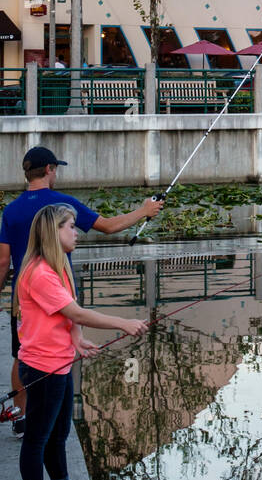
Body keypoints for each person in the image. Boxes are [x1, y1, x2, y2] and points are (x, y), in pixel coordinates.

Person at [0, 146, 163, 430]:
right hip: (59, 293)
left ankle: (21, 414)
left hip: (22, 297)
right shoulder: (63, 205)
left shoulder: (11, 210)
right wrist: (145, 210)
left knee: (21, 354)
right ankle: (49, 415)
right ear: (50, 169)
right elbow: (109, 227)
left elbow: (3, 261)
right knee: (62, 349)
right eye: (56, 169)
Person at [14, 204, 149, 480]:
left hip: (59, 364)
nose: (76, 232)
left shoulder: (57, 268)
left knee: (59, 434)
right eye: (70, 226)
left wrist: (75, 340)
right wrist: (122, 323)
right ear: (53, 231)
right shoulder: (40, 273)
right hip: (43, 368)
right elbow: (76, 313)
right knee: (37, 438)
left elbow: (66, 315)